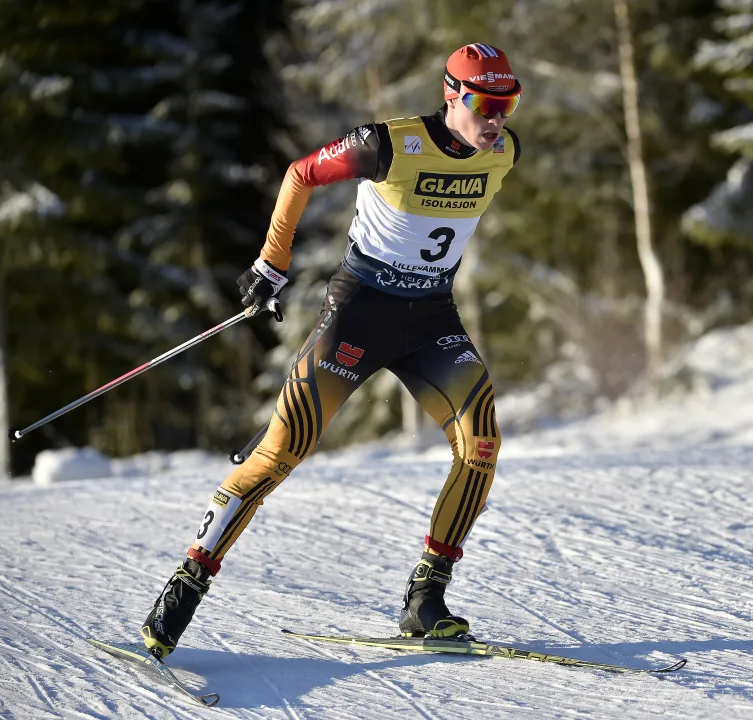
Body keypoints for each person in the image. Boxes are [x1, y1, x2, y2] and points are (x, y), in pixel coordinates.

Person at [140, 43, 523, 659]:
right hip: (359, 314)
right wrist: (272, 261)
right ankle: (185, 586)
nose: (497, 119)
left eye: (508, 104)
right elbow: (301, 173)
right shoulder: (387, 143)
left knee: (481, 443)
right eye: (485, 104)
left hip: (430, 318)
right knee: (283, 450)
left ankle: (426, 598)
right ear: (451, 95)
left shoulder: (504, 152)